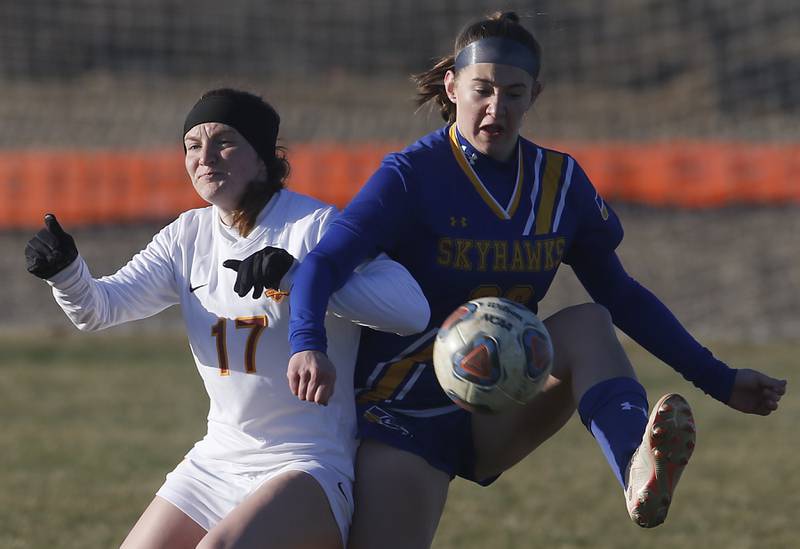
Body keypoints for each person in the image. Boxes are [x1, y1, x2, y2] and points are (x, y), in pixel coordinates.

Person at [236, 12, 786, 548]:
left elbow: (622, 295)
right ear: (452, 87)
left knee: (591, 321)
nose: (496, 107)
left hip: (497, 407)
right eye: (483, 89)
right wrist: (307, 344)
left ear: (536, 94)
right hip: (401, 416)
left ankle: (635, 468)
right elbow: (323, 266)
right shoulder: (410, 176)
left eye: (514, 93)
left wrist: (719, 379)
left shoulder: (560, 183)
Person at [23, 88, 430, 549]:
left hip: (307, 463)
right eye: (193, 146)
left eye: (225, 142)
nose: (206, 157)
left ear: (262, 159)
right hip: (217, 461)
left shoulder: (312, 226)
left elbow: (410, 310)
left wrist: (300, 275)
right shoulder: (186, 236)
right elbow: (100, 309)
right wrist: (66, 274)